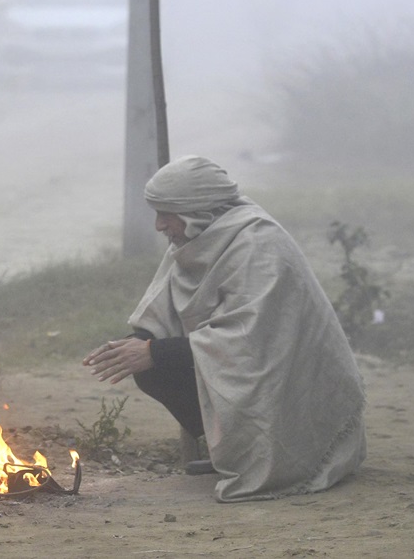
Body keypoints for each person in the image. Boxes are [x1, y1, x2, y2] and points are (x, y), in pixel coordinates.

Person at [83, 155, 367, 502]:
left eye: (165, 213)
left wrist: (153, 352)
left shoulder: (258, 242)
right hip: (247, 364)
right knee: (154, 370)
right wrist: (136, 344)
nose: (159, 225)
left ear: (194, 209)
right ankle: (234, 454)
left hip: (290, 381)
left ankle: (275, 460)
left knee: (159, 360)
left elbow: (251, 340)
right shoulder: (196, 238)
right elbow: (162, 309)